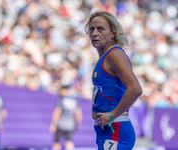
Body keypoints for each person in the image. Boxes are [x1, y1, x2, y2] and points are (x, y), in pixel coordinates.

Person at [84, 10, 142, 150]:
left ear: (112, 33)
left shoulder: (114, 54)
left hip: (115, 128)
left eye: (100, 29)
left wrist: (111, 115)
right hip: (106, 130)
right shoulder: (105, 56)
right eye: (91, 29)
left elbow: (135, 89)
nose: (94, 33)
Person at [49, 85, 83, 150]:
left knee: (56, 142)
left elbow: (57, 112)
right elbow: (79, 114)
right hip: (70, 125)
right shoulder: (74, 101)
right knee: (69, 141)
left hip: (60, 124)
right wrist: (78, 124)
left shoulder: (61, 100)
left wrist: (53, 124)